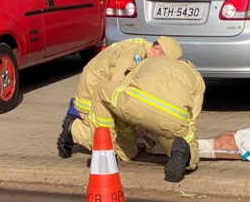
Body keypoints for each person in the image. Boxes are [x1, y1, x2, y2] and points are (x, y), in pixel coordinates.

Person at [74, 55, 205, 182]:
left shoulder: (150, 61)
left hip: (135, 105)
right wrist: (187, 136)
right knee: (185, 139)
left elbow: (125, 84)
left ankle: (105, 152)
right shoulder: (197, 79)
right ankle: (188, 158)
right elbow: (192, 117)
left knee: (100, 88)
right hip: (171, 119)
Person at [57, 36, 182, 160]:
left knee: (129, 147)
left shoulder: (144, 54)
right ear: (155, 50)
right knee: (119, 150)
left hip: (104, 97)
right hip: (95, 101)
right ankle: (74, 130)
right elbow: (116, 90)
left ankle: (125, 138)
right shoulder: (134, 54)